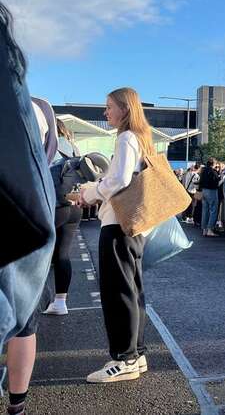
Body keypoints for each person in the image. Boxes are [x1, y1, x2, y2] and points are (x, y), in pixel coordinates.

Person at [1, 1, 58, 412]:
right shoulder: (39, 109)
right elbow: (39, 170)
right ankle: (17, 403)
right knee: (24, 322)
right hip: (22, 225)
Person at [79, 87, 154, 383]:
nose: (105, 112)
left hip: (117, 224)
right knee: (132, 289)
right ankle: (136, 353)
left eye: (109, 106)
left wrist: (90, 192)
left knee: (117, 291)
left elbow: (120, 179)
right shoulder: (141, 138)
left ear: (125, 108)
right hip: (134, 226)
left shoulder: (126, 137)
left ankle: (124, 359)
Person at [41, 119, 83, 316]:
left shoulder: (48, 144)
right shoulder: (74, 148)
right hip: (74, 206)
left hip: (53, 205)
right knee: (63, 254)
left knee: (40, 254)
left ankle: (38, 301)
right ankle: (60, 302)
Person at [198, 159, 221, 237]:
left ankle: (204, 229)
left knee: (205, 210)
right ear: (213, 164)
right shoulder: (213, 172)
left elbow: (200, 181)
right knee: (213, 210)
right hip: (212, 191)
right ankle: (210, 229)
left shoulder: (203, 171)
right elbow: (216, 183)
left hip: (204, 191)